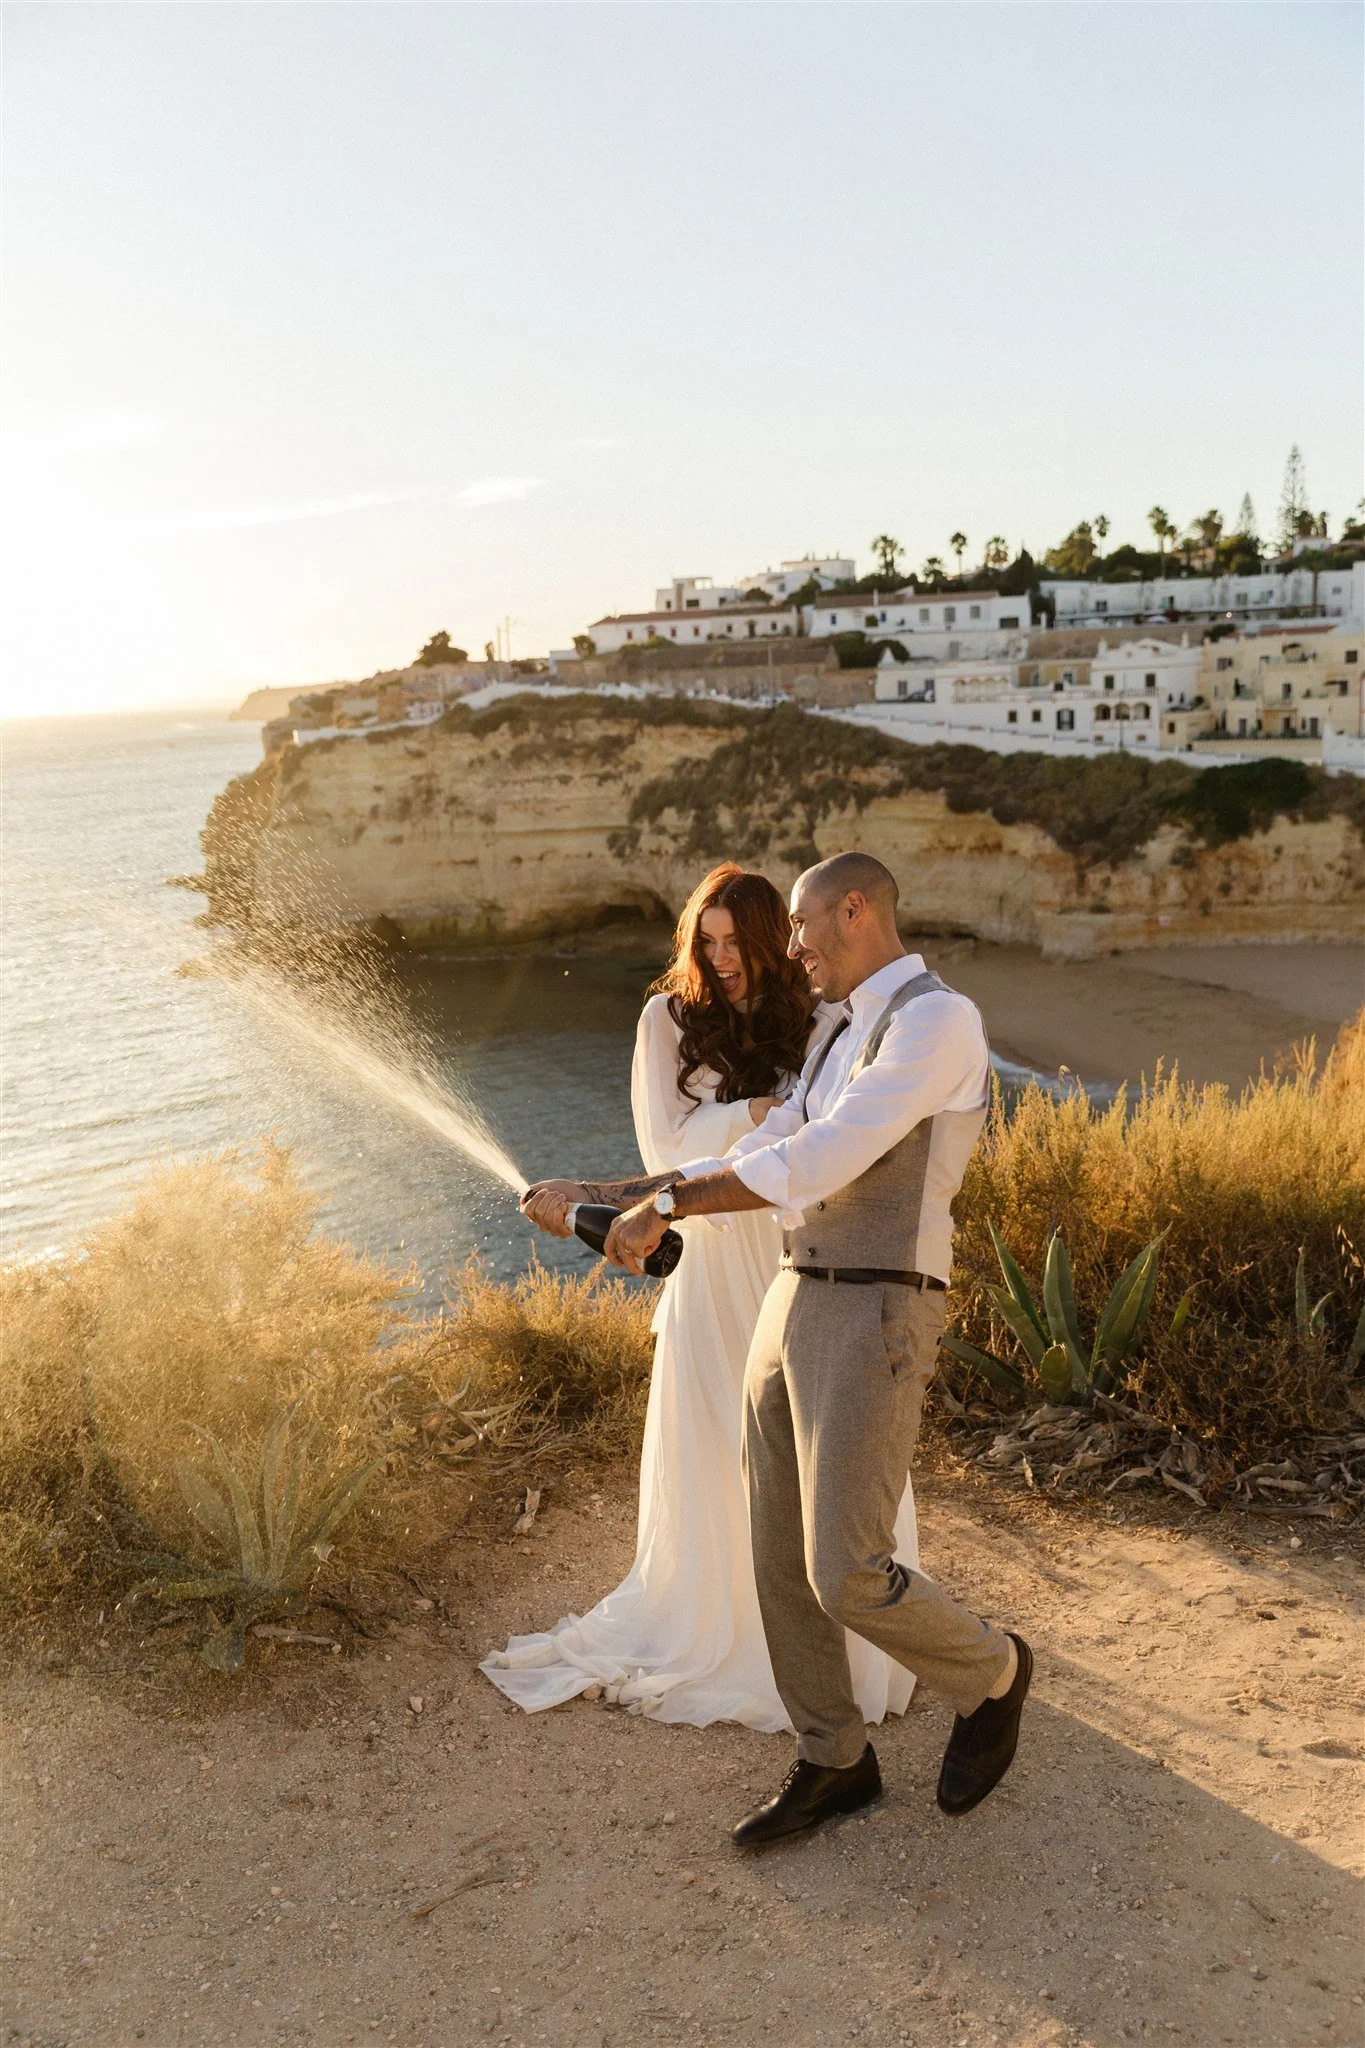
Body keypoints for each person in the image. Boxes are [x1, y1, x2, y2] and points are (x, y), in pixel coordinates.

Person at [556, 852, 1032, 1846]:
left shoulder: (935, 1022)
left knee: (844, 1566)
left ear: (855, 910)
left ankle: (993, 1672)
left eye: (806, 925)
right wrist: (611, 1190)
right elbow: (757, 1155)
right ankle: (835, 1757)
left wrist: (671, 1200)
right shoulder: (839, 1032)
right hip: (795, 1291)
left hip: (879, 1304)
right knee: (777, 1554)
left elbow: (819, 1156)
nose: (795, 947)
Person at [482, 862, 922, 1735]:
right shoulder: (664, 1020)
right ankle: (737, 1637)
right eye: (705, 940)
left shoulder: (819, 1014)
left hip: (797, 1249)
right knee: (722, 1440)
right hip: (715, 1257)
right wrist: (759, 1113)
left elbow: (839, 1134)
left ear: (770, 940)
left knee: (822, 1448)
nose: (720, 958)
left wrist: (767, 1119)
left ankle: (856, 1641)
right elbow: (664, 1144)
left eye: (736, 941)